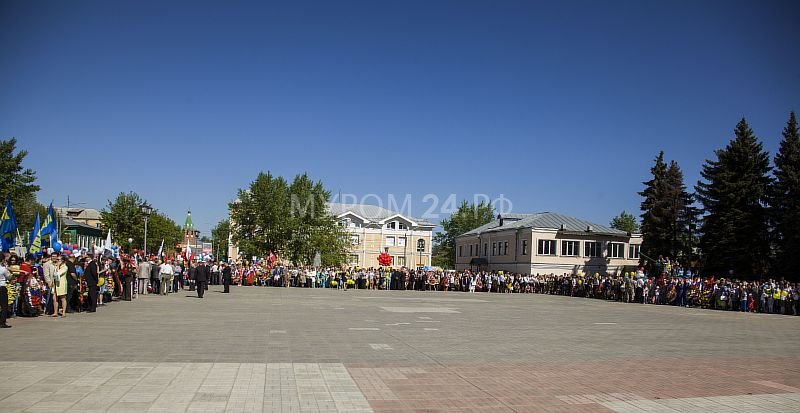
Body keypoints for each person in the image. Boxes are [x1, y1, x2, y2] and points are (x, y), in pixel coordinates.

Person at [0, 256, 13, 328]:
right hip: (2, 287)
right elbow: (9, 277)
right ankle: (2, 322)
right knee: (4, 306)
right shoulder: (3, 269)